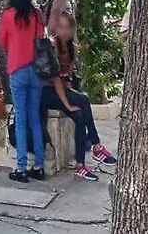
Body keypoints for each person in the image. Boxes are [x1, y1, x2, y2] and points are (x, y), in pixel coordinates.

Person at [40, 13, 117, 180]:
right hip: (45, 92)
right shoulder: (52, 46)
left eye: (68, 27)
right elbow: (56, 79)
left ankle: (80, 165)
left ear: (73, 28)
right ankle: (97, 146)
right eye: (61, 27)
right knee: (83, 99)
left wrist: (69, 95)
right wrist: (67, 103)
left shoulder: (73, 48)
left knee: (80, 116)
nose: (64, 31)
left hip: (60, 91)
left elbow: (66, 79)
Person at [0, 0, 46, 183]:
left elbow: (2, 40)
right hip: (36, 71)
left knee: (20, 119)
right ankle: (39, 166)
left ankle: (21, 168)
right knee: (35, 118)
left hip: (17, 70)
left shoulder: (9, 15)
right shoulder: (36, 15)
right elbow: (41, 39)